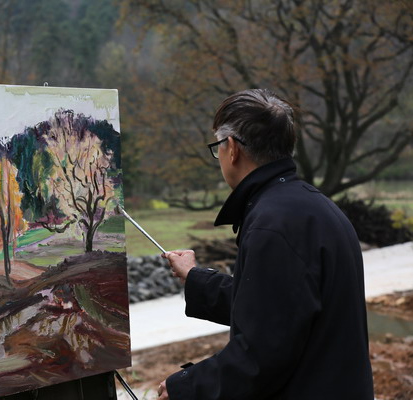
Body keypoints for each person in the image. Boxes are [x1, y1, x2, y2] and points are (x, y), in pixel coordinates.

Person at [157, 89, 374, 399]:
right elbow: (277, 306)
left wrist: (188, 385)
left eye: (216, 147)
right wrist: (196, 278)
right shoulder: (312, 207)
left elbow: (262, 353)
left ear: (231, 149)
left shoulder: (274, 225)